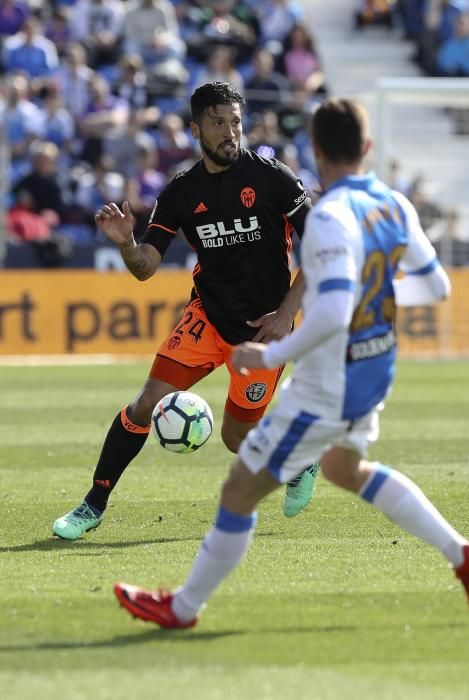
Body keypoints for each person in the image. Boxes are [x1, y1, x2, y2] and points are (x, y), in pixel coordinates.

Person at [113, 97, 469, 630]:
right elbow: (436, 286)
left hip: (330, 378)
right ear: (367, 148)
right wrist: (377, 294)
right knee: (346, 468)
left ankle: (181, 608)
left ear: (316, 151)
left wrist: (272, 353)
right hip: (376, 366)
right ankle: (463, 554)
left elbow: (334, 311)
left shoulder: (332, 216)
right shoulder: (394, 204)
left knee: (239, 489)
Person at [53, 82, 319, 540]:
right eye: (218, 123)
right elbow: (145, 268)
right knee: (143, 405)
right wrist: (127, 245)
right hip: (207, 318)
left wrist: (284, 314)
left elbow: (321, 251)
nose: (230, 132)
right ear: (196, 129)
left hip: (263, 332)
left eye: (235, 122)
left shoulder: (273, 178)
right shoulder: (181, 191)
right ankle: (91, 505)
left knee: (236, 439)